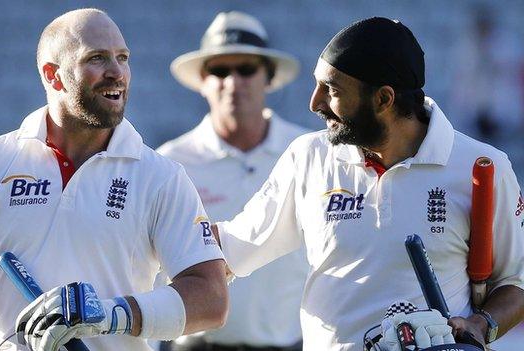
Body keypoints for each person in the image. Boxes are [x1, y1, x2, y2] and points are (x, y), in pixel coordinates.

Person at [0, 8, 228, 351]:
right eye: (97, 58)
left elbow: (212, 298)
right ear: (53, 76)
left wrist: (108, 314)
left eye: (123, 57)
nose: (117, 72)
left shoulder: (161, 177)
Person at [212, 17, 524, 351]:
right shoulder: (308, 157)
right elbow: (229, 248)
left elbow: (515, 283)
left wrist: (480, 324)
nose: (315, 103)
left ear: (383, 99)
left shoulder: (481, 166)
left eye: (332, 90)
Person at [157, 11, 309, 351]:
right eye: (220, 70)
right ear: (203, 80)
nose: (233, 82)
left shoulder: (307, 154)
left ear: (268, 78)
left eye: (246, 69)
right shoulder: (170, 163)